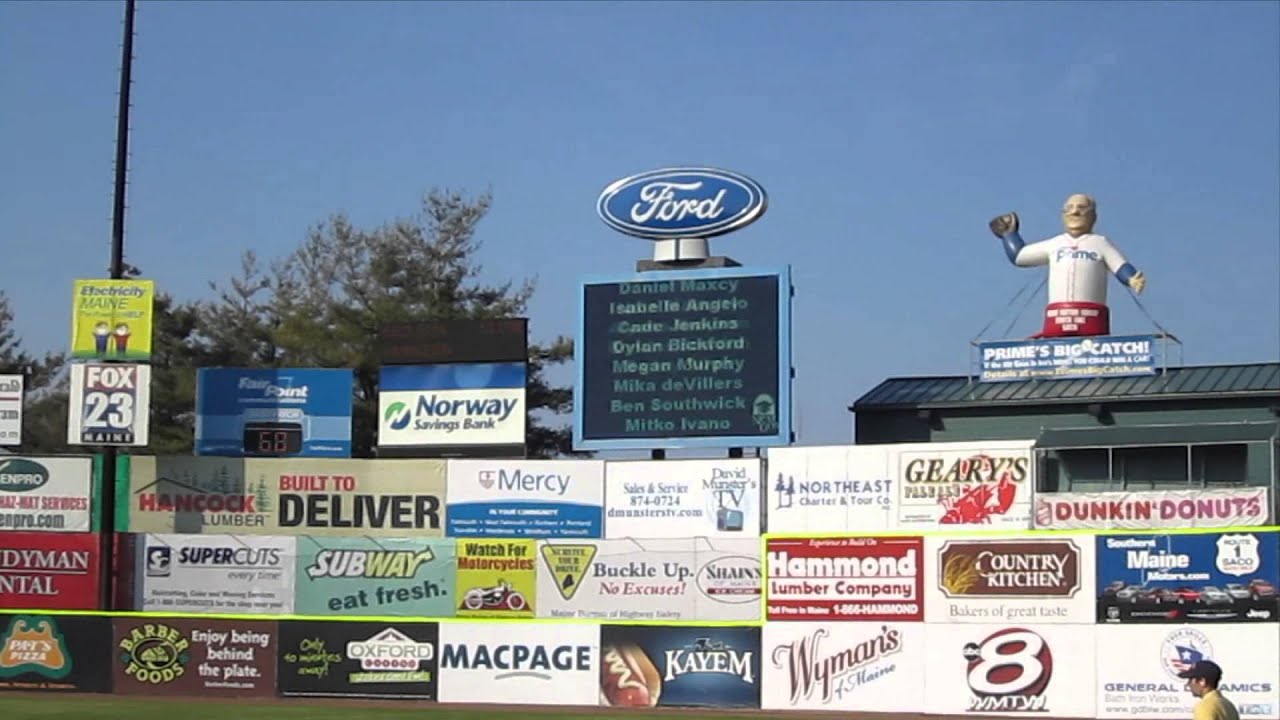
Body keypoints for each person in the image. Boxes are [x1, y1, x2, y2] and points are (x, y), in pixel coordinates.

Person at [989, 193, 1146, 338]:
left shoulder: (1100, 243)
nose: (1075, 212)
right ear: (1063, 215)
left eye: (1082, 208)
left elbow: (1119, 265)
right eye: (1069, 208)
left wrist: (1131, 278)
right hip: (1058, 318)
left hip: (1091, 318)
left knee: (1091, 354)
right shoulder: (1055, 244)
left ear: (1093, 216)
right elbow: (1020, 256)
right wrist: (1009, 235)